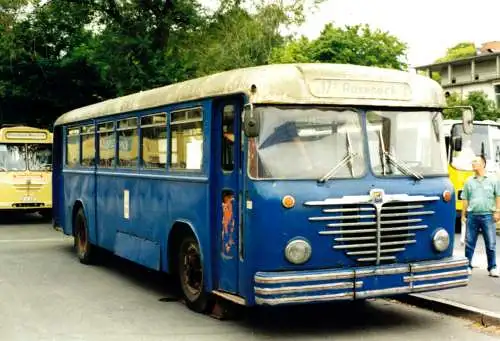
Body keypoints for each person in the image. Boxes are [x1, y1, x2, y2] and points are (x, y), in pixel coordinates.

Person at [462, 155, 500, 277]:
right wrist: (464, 215)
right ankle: (467, 266)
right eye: (472, 161)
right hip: (472, 215)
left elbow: (498, 196)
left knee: (491, 243)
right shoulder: (469, 181)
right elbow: (465, 199)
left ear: (483, 164)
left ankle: (492, 267)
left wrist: (498, 211)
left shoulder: (493, 180)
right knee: (469, 243)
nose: (473, 163)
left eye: (476, 161)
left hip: (488, 215)